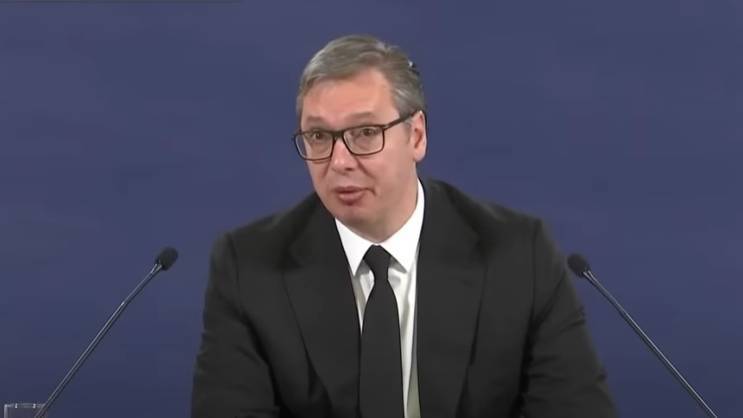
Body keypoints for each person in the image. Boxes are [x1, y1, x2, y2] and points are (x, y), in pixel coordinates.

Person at [191, 34, 617, 418]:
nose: (339, 161)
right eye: (319, 137)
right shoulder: (249, 267)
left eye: (365, 132)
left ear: (416, 136)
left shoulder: (519, 256)